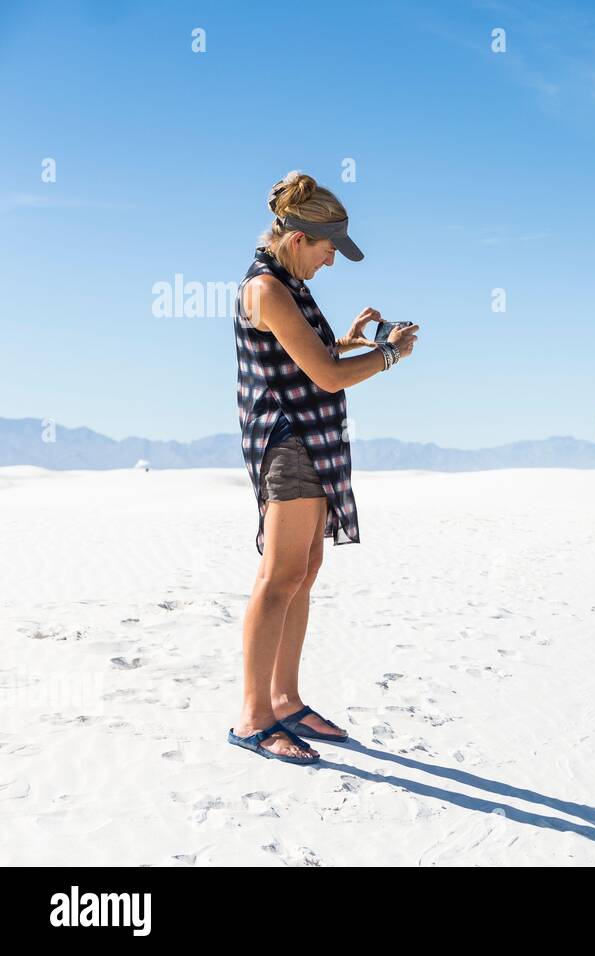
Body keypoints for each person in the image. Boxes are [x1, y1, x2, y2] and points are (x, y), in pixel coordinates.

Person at [227, 171, 419, 764]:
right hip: (289, 442)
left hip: (314, 441)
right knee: (279, 577)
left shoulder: (290, 283)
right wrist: (387, 356)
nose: (332, 261)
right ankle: (254, 716)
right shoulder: (267, 288)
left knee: (303, 571)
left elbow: (315, 356)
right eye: (329, 248)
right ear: (297, 237)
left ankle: (285, 698)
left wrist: (354, 339)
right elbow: (326, 378)